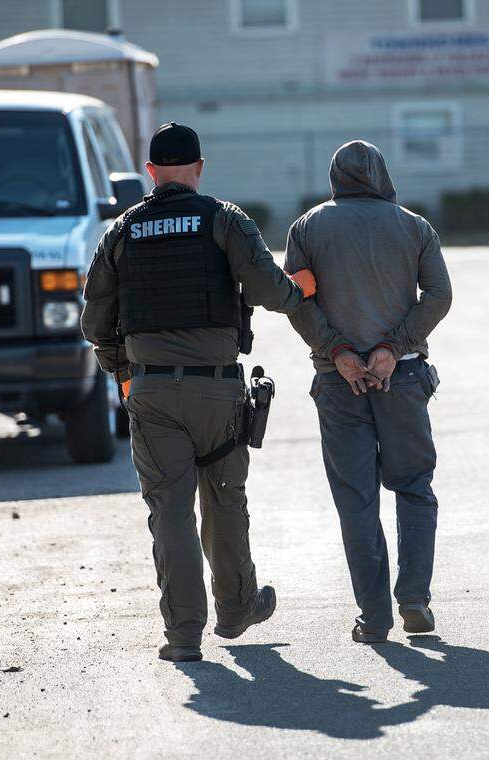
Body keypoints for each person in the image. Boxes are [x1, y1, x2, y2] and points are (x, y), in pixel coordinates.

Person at [81, 122, 320, 662]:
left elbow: (96, 320)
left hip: (151, 392)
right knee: (224, 501)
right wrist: (298, 289)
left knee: (169, 511)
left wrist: (122, 374)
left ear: (150, 173)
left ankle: (183, 635)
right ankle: (236, 610)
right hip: (217, 392)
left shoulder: (122, 231)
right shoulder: (224, 218)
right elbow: (269, 292)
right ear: (200, 168)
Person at [285, 140, 452, 643]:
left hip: (340, 384)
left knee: (356, 500)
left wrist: (338, 351)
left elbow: (297, 301)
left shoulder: (308, 228)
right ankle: (415, 598)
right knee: (414, 487)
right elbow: (439, 296)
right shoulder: (414, 226)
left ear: (334, 177)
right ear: (382, 175)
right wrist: (392, 346)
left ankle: (374, 616)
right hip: (400, 377)